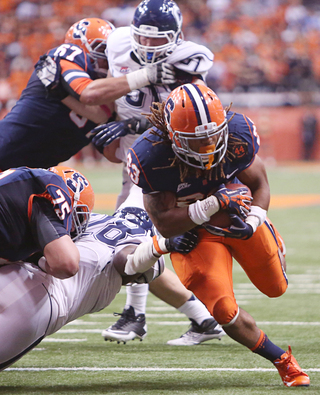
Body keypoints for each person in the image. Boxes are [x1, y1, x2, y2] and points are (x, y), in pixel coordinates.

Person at [126, 83, 310, 387]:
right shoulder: (151, 156)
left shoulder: (238, 133)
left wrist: (253, 220)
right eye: (197, 140)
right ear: (173, 137)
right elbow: (165, 224)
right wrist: (213, 204)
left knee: (276, 288)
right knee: (223, 310)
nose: (210, 144)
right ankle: (282, 361)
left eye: (214, 135)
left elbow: (259, 183)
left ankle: (268, 235)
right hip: (194, 236)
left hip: (236, 219)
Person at [91, 0, 224, 346]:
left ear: (177, 36)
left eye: (158, 39)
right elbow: (106, 90)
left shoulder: (193, 57)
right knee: (135, 237)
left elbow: (189, 104)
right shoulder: (118, 43)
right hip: (134, 155)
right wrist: (112, 124)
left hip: (167, 155)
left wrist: (132, 123)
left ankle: (142, 316)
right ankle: (198, 320)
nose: (149, 47)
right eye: (143, 39)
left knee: (131, 233)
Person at [0, 204, 197, 371]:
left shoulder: (92, 219)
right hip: (41, 304)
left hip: (14, 272)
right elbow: (127, 263)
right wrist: (162, 246)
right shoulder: (141, 238)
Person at [0, 17, 174, 170]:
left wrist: (63, 96)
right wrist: (145, 75)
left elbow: (107, 130)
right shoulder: (67, 55)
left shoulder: (110, 90)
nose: (110, 57)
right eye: (104, 49)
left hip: (34, 170)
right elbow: (88, 94)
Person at [0, 165, 94, 279]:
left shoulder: (20, 192)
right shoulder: (51, 187)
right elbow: (67, 264)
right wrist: (40, 261)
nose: (73, 228)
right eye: (77, 218)